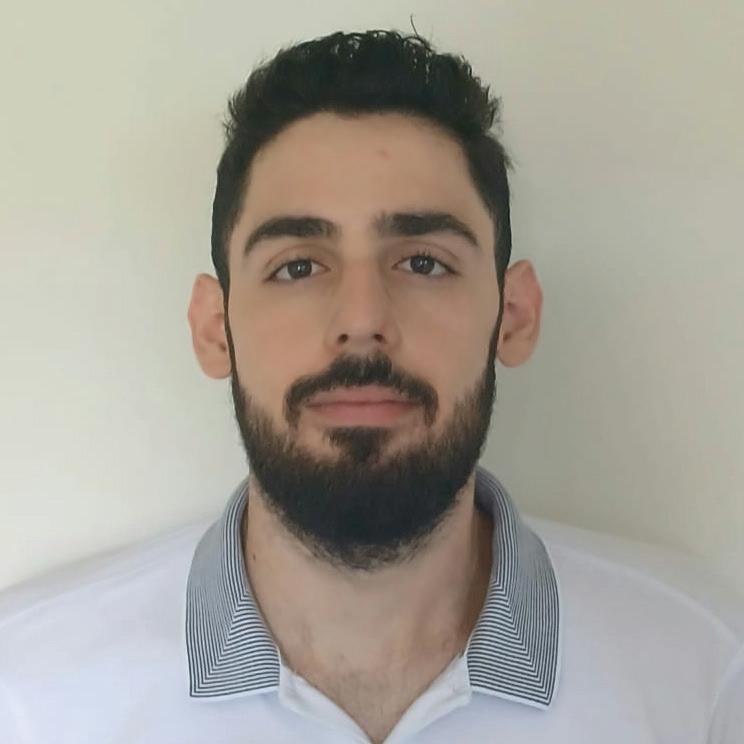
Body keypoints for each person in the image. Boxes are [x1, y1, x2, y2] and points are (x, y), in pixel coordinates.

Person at [1, 28, 743, 744]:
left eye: (423, 262)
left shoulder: (705, 671)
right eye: (297, 266)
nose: (361, 321)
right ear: (214, 329)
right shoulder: (28, 693)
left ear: (513, 316)